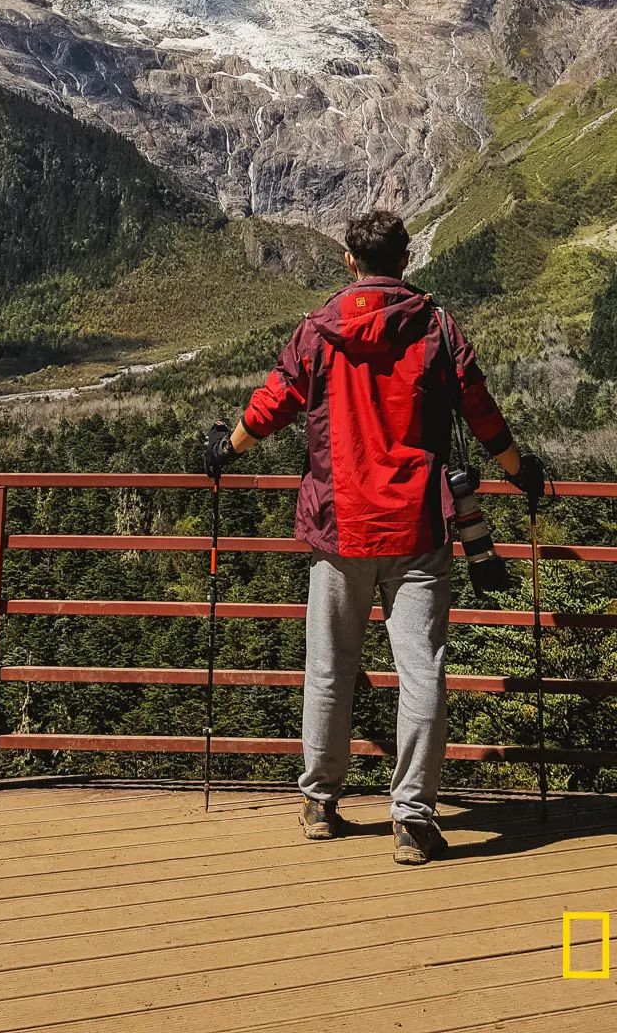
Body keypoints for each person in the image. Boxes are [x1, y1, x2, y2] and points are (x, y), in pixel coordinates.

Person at [204, 207, 544, 867]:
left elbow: (276, 400)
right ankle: (412, 818)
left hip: (339, 526)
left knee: (329, 668)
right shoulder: (435, 325)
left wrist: (228, 447)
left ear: (350, 261)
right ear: (405, 260)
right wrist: (515, 468)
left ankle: (319, 803)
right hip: (416, 526)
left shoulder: (319, 330)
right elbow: (479, 407)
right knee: (423, 672)